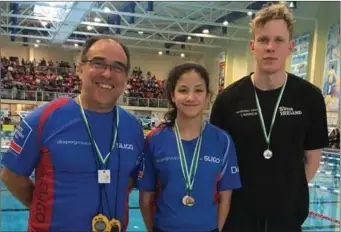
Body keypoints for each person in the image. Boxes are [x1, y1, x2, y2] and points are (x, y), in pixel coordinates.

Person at [0, 36, 145, 232]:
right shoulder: (44, 118)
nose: (107, 73)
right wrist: (45, 210)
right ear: (80, 68)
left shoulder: (133, 127)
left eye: (118, 67)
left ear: (126, 76)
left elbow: (128, 181)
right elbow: (12, 175)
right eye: (98, 63)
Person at [210, 3, 329, 232]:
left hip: (287, 219)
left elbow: (312, 159)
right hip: (238, 217)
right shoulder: (228, 100)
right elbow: (218, 163)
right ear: (253, 46)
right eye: (263, 40)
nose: (270, 47)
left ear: (290, 47)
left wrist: (286, 195)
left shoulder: (310, 97)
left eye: (279, 40)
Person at [137, 63, 241, 232]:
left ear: (208, 97)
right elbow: (145, 197)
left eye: (198, 90)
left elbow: (225, 197)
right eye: (183, 90)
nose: (191, 97)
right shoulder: (155, 140)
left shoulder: (222, 140)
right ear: (172, 95)